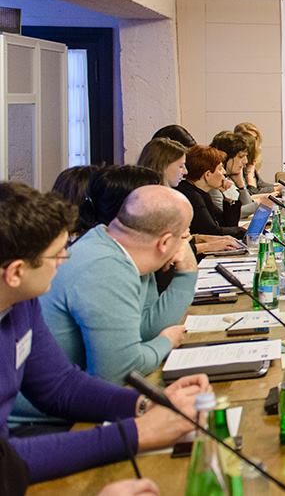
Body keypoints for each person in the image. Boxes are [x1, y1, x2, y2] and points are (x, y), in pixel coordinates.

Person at [0, 181, 207, 483]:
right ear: (16, 272)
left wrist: (144, 404)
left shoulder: (21, 302)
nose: (66, 260)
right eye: (56, 254)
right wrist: (137, 433)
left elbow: (59, 385)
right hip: (22, 445)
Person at [176, 145, 245, 240]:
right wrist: (243, 231)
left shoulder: (202, 193)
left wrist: (230, 198)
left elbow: (227, 225)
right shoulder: (191, 196)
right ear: (207, 174)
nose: (224, 172)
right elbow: (213, 233)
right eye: (220, 168)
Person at [232, 121, 272, 191]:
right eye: (250, 138)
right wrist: (277, 189)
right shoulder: (237, 163)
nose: (254, 142)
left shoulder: (251, 159)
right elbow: (252, 193)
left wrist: (280, 187)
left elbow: (260, 184)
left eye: (255, 138)